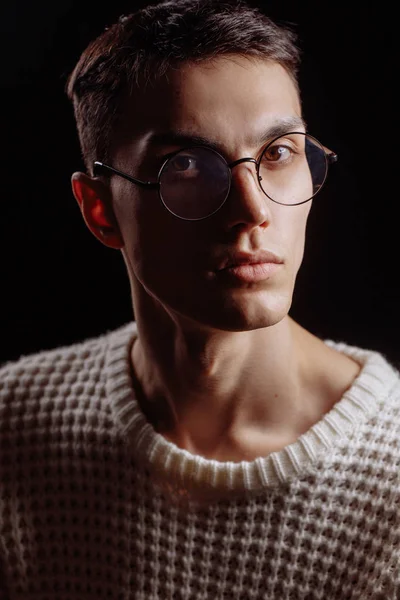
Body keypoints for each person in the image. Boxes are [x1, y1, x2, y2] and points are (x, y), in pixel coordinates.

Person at [1, 0, 399, 597]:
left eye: (279, 153)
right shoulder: (14, 423)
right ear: (100, 210)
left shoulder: (390, 475)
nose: (253, 210)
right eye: (186, 164)